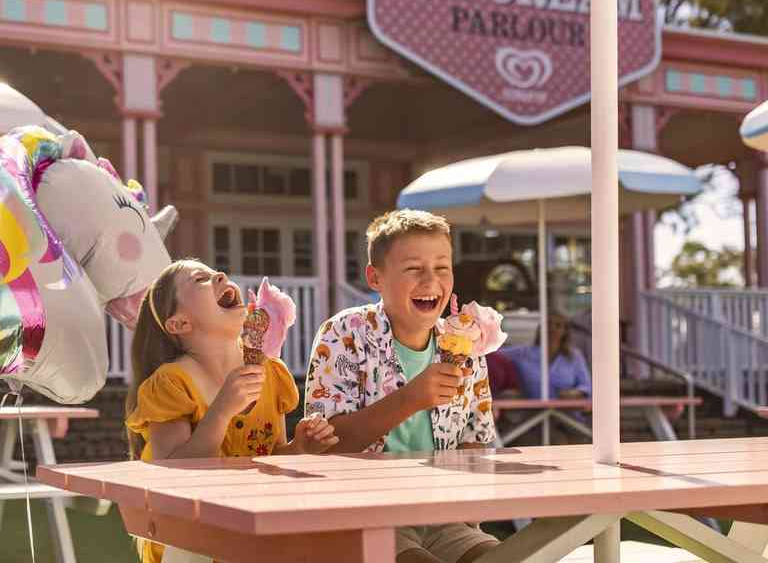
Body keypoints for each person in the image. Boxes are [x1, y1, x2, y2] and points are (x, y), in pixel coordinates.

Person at [306, 210, 500, 563]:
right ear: (375, 278)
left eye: (442, 267)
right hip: (363, 512)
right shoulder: (343, 334)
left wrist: (468, 511)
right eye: (414, 269)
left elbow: (477, 437)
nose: (431, 280)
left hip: (442, 513)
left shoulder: (464, 342)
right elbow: (323, 446)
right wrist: (410, 398)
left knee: (509, 557)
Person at [126, 259, 340, 563]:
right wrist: (221, 411)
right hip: (188, 535)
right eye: (202, 279)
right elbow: (172, 475)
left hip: (252, 525)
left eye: (217, 273)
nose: (220, 275)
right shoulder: (171, 383)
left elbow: (272, 458)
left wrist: (300, 448)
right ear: (180, 323)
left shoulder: (271, 374)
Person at [498, 315, 592, 400]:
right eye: (548, 324)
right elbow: (493, 354)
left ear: (565, 331)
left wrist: (576, 393)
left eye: (558, 325)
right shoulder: (523, 353)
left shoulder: (575, 356)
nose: (552, 329)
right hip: (531, 414)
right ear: (540, 328)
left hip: (569, 414)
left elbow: (586, 386)